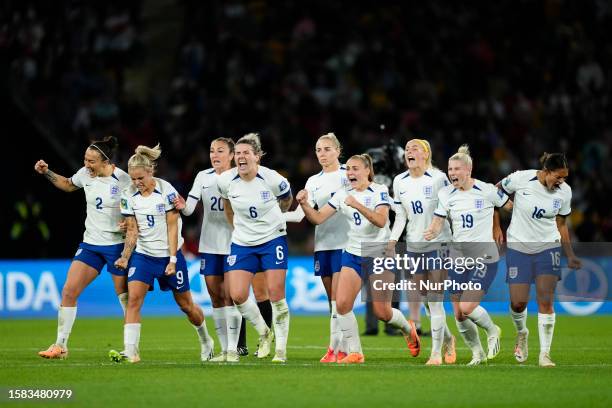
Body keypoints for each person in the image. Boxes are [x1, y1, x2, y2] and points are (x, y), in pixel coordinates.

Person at [297, 154, 421, 364]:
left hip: (379, 253)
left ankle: (408, 329)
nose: (350, 173)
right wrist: (305, 205)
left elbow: (381, 221)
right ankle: (356, 352)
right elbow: (318, 218)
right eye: (349, 170)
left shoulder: (379, 190)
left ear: (367, 171)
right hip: (352, 253)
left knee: (382, 312)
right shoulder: (342, 194)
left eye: (355, 169)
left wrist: (356, 205)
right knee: (342, 305)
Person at [109, 144, 214, 363]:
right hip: (144, 256)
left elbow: (172, 227)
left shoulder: (167, 191)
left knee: (186, 306)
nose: (136, 183)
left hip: (169, 255)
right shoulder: (129, 195)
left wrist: (173, 260)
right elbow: (132, 229)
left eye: (140, 178)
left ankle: (206, 340)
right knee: (134, 300)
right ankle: (131, 351)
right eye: (133, 178)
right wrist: (125, 257)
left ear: (150, 172)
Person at [35, 136, 130, 359]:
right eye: (85, 160)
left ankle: (131, 348)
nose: (87, 165)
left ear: (105, 161)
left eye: (92, 161)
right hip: (90, 245)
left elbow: (138, 204)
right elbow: (68, 184)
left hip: (116, 245)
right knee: (69, 291)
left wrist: (130, 224)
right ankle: (60, 346)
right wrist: (47, 172)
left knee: (125, 299)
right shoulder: (86, 174)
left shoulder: (123, 179)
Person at [424, 145, 511, 366]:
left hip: (484, 257)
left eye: (456, 169)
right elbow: (439, 219)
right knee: (460, 315)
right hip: (459, 258)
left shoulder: (487, 189)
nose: (452, 173)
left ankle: (492, 331)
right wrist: (433, 230)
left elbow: (508, 205)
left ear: (468, 170)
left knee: (467, 307)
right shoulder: (446, 193)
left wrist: (498, 225)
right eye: (450, 169)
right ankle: (477, 353)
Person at [499, 152, 581, 367]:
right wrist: (504, 207)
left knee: (546, 300)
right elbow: (495, 190)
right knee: (518, 303)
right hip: (518, 246)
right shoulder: (521, 178)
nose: (561, 182)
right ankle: (522, 333)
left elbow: (561, 224)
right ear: (546, 172)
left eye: (564, 178)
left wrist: (570, 255)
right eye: (558, 177)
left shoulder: (564, 192)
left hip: (548, 247)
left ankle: (545, 354)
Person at [217, 133, 292, 363]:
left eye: (245, 153)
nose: (240, 157)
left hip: (272, 240)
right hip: (242, 242)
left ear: (256, 157)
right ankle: (264, 332)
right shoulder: (225, 181)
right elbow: (227, 206)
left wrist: (276, 219)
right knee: (237, 294)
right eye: (237, 153)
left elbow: (286, 200)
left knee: (276, 295)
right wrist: (238, 229)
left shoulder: (272, 179)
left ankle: (280, 349)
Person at [173, 137, 245, 362]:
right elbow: (190, 209)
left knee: (230, 296)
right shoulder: (202, 177)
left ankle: (233, 350)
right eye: (212, 150)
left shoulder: (240, 177)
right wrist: (182, 206)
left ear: (232, 155)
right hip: (210, 244)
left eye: (220, 151)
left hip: (235, 242)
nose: (215, 155)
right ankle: (223, 350)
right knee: (215, 297)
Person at [283, 132, 350, 363]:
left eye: (328, 149)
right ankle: (344, 348)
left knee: (339, 299)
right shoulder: (313, 181)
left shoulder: (348, 176)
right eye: (319, 150)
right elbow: (300, 216)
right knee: (333, 301)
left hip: (347, 243)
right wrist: (270, 216)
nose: (323, 154)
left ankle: (334, 349)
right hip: (324, 245)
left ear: (338, 151)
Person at [388, 138, 457, 365]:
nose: (409, 151)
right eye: (407, 149)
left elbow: (453, 207)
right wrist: (392, 240)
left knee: (435, 300)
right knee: (426, 300)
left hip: (440, 244)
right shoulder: (399, 181)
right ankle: (448, 339)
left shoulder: (439, 179)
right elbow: (401, 216)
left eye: (415, 148)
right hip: (414, 246)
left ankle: (436, 353)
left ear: (426, 154)